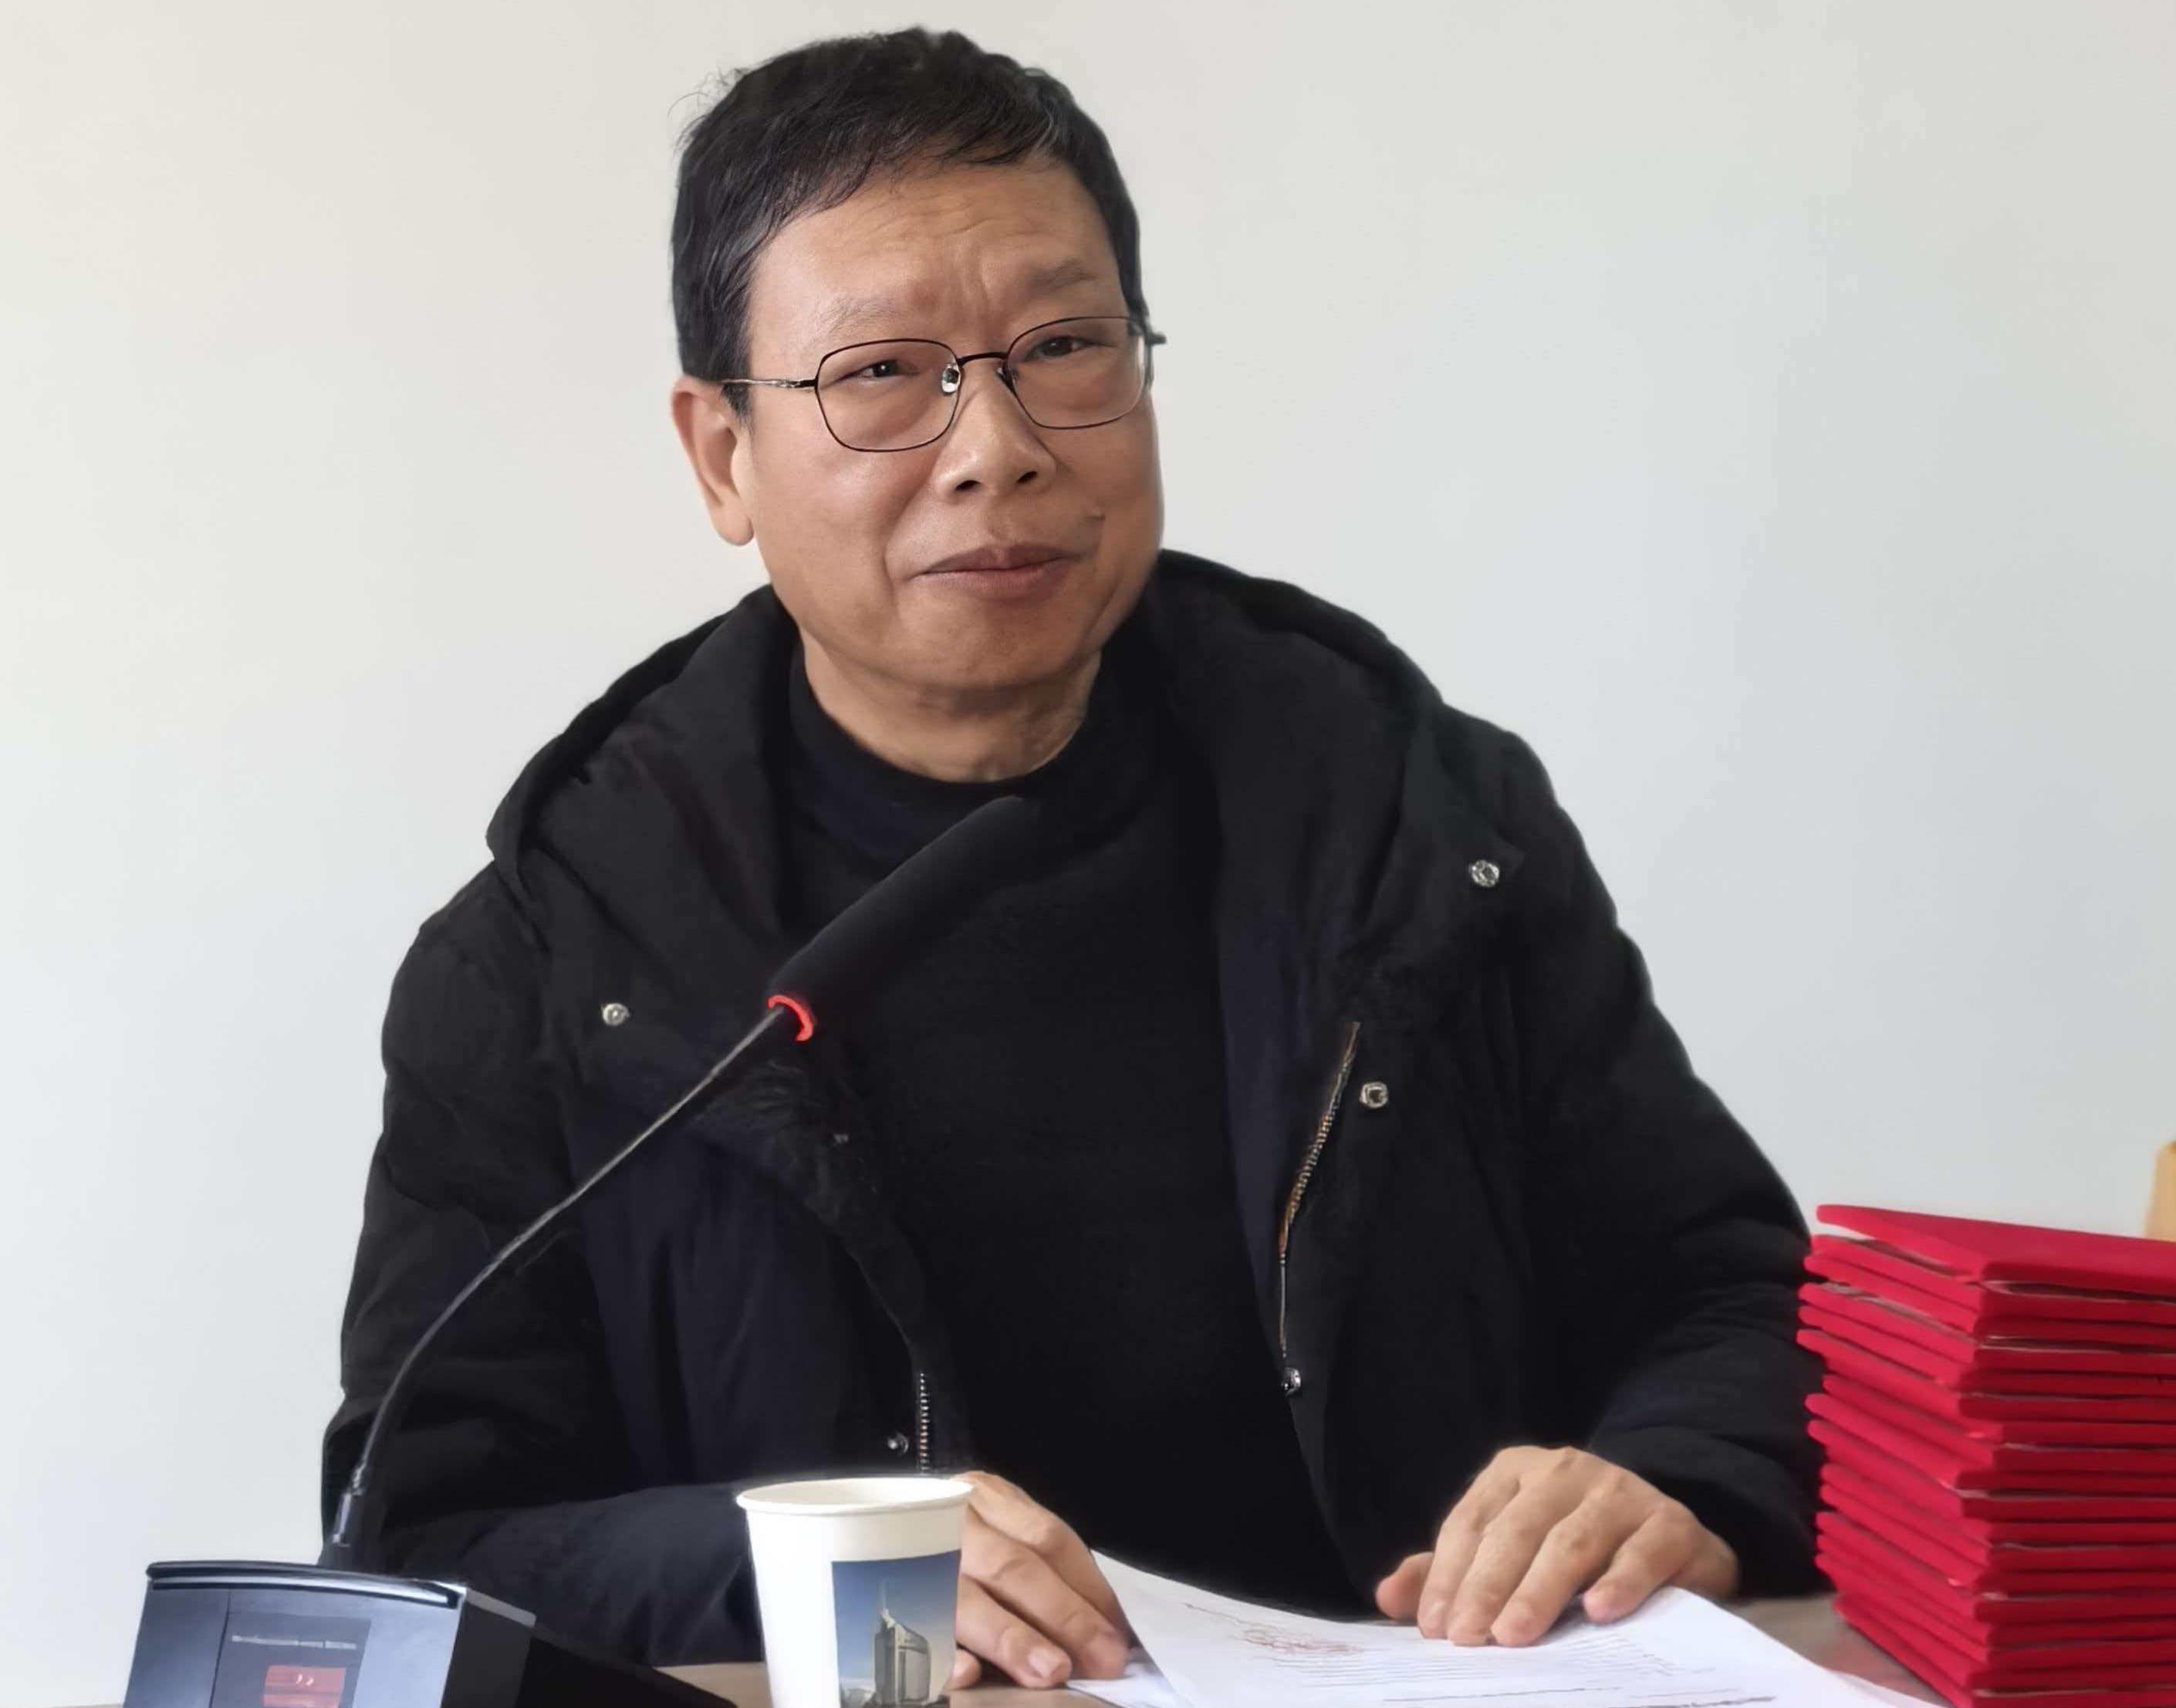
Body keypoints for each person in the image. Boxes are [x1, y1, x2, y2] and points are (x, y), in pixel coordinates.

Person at [323, 27, 1820, 1692]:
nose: (997, 444)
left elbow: (1736, 1304)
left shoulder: (1420, 827)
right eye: (882, 374)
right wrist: (818, 1573)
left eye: (1063, 347)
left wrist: (1670, 1478)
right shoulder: (560, 954)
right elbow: (421, 1541)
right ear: (723, 453)